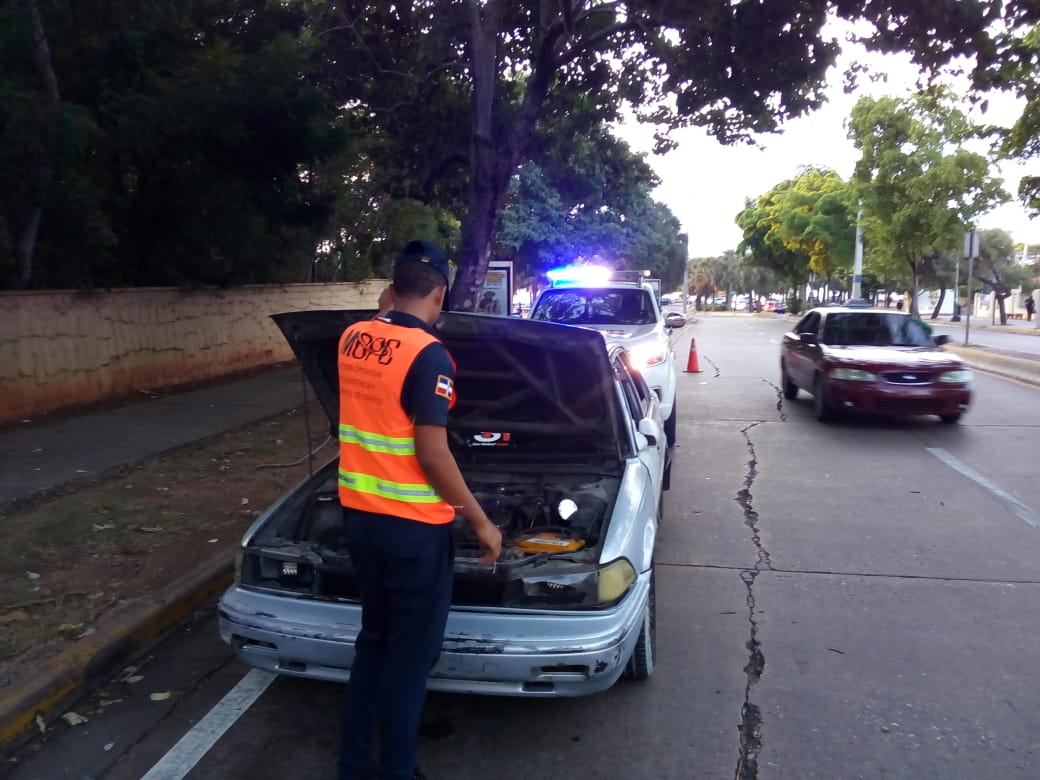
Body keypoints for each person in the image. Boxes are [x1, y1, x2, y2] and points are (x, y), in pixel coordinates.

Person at [337, 240, 502, 780]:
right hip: (414, 531)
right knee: (410, 660)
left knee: (374, 643)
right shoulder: (431, 356)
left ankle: (355, 767)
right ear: (440, 292)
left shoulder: (353, 338)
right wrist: (479, 520)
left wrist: (387, 306)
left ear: (392, 288)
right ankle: (399, 772)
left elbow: (384, 324)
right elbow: (432, 452)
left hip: (360, 520)